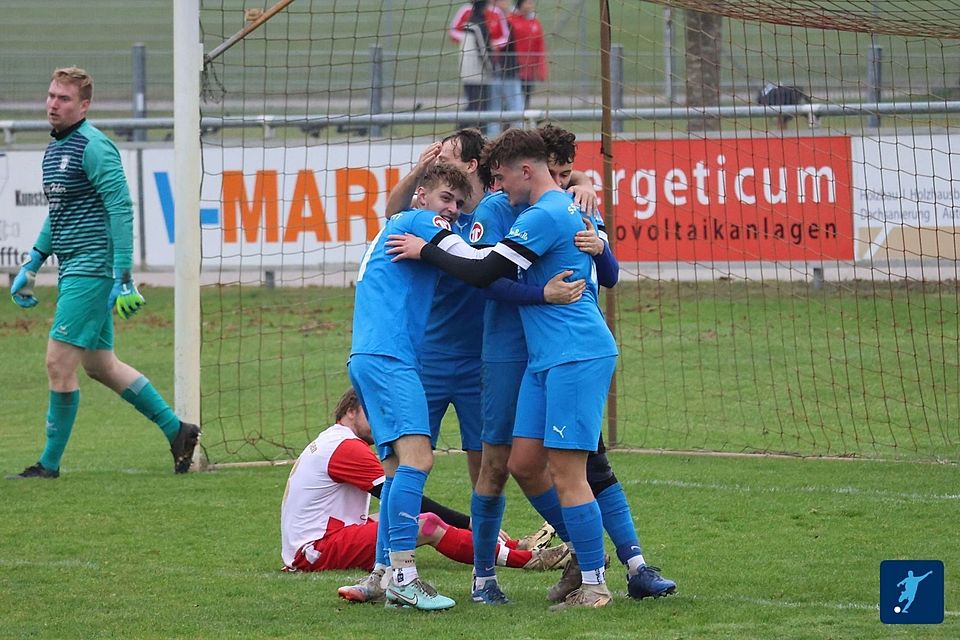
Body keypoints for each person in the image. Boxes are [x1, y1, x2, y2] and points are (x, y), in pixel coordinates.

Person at [386, 129, 619, 610]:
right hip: (537, 358)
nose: (498, 186)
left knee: (570, 470)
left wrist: (425, 249)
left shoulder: (544, 213)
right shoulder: (524, 208)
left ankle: (597, 580)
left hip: (571, 352)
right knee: (519, 464)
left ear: (524, 171)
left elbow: (486, 273)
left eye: (502, 176)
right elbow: (488, 271)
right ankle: (458, 574)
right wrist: (581, 179)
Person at [6, 67, 200, 480]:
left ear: (84, 105)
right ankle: (178, 431)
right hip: (73, 267)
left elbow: (121, 208)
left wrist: (123, 275)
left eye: (64, 99)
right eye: (51, 95)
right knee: (101, 365)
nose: (53, 104)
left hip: (93, 271)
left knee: (58, 363)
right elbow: (58, 213)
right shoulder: (56, 149)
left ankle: (49, 465)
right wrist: (32, 263)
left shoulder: (94, 147)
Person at [280, 388, 571, 604]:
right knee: (427, 524)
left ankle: (513, 544)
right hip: (317, 549)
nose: (382, 421)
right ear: (352, 411)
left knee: (405, 519)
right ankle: (528, 559)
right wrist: (468, 522)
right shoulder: (346, 448)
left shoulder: (333, 440)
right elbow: (406, 502)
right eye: (375, 412)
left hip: (321, 539)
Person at [348, 162, 476, 611]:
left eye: (460, 204)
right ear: (422, 195)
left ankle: (383, 573)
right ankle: (405, 575)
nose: (454, 211)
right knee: (418, 462)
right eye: (447, 199)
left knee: (393, 469)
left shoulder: (398, 222)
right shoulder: (423, 221)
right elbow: (469, 259)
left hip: (367, 355)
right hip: (390, 358)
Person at [457, 1, 501, 133]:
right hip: (478, 74)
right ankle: (473, 133)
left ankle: (464, 131)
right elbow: (483, 49)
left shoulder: (468, 23)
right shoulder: (478, 25)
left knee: (472, 104)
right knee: (478, 106)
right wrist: (491, 67)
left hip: (467, 72)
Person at [487, 0, 526, 135]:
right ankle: (493, 138)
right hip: (499, 72)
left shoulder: (507, 20)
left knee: (513, 107)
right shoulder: (497, 20)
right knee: (499, 108)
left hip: (508, 71)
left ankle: (518, 135)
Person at [508, 0, 547, 108]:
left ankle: (522, 123)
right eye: (528, 2)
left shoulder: (535, 22)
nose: (531, 5)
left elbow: (540, 46)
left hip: (529, 71)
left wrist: (541, 70)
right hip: (512, 69)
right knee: (512, 101)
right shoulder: (510, 19)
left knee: (526, 100)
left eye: (531, 3)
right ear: (520, 4)